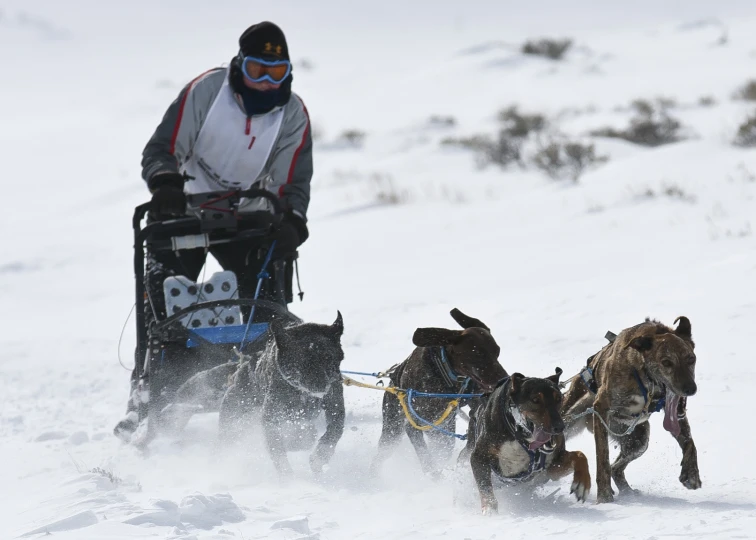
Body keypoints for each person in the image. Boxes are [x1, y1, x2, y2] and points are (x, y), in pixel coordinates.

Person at [114, 21, 313, 442]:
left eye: (276, 73)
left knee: (265, 299)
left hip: (250, 216)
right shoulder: (207, 91)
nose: (265, 83)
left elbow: (293, 180)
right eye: (258, 70)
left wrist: (294, 221)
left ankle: (272, 390)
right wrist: (165, 182)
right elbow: (162, 149)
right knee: (168, 298)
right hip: (184, 207)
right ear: (241, 65)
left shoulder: (292, 112)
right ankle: (153, 390)